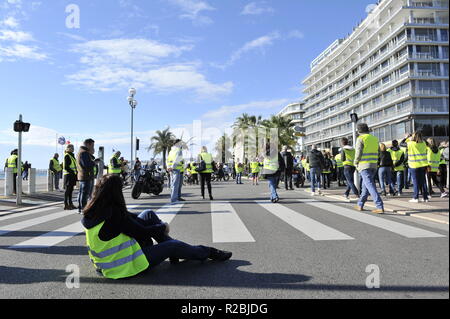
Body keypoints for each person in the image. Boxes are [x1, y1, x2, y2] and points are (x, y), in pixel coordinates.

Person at [81, 174, 232, 280]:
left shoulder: (97, 209)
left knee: (147, 214)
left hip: (108, 263)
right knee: (173, 245)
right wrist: (162, 227)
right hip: (124, 265)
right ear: (115, 192)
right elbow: (141, 232)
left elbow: (131, 220)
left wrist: (156, 226)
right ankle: (208, 252)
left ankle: (175, 252)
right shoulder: (112, 214)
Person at [354, 123, 384, 214]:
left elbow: (358, 152)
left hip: (364, 165)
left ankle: (379, 206)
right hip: (373, 165)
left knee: (370, 185)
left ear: (359, 131)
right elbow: (379, 152)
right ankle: (360, 204)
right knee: (365, 186)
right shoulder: (374, 139)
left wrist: (355, 162)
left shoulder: (361, 138)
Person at [400, 132, 430, 203]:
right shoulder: (423, 143)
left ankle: (415, 197)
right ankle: (425, 198)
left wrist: (406, 137)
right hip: (423, 165)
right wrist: (421, 138)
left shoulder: (410, 143)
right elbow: (428, 143)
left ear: (413, 137)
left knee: (416, 182)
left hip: (414, 165)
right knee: (423, 182)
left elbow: (401, 144)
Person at [76, 139, 96, 214]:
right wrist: (94, 163)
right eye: (92, 145)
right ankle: (83, 209)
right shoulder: (83, 153)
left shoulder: (82, 152)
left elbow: (89, 160)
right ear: (88, 144)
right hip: (86, 176)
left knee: (82, 193)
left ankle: (80, 208)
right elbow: (87, 165)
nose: (93, 147)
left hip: (83, 175)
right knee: (84, 193)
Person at [166, 139, 185, 204]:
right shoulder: (178, 150)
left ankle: (177, 197)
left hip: (172, 169)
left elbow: (167, 160)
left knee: (175, 184)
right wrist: (172, 167)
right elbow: (177, 160)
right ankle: (174, 199)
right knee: (175, 185)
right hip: (176, 169)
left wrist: (168, 167)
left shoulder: (171, 151)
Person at [63, 144, 78, 210]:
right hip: (68, 175)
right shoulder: (67, 156)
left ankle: (70, 204)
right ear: (68, 148)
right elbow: (66, 167)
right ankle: (66, 204)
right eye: (72, 147)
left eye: (73, 147)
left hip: (72, 175)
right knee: (68, 190)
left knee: (71, 190)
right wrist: (72, 172)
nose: (73, 148)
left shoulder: (72, 156)